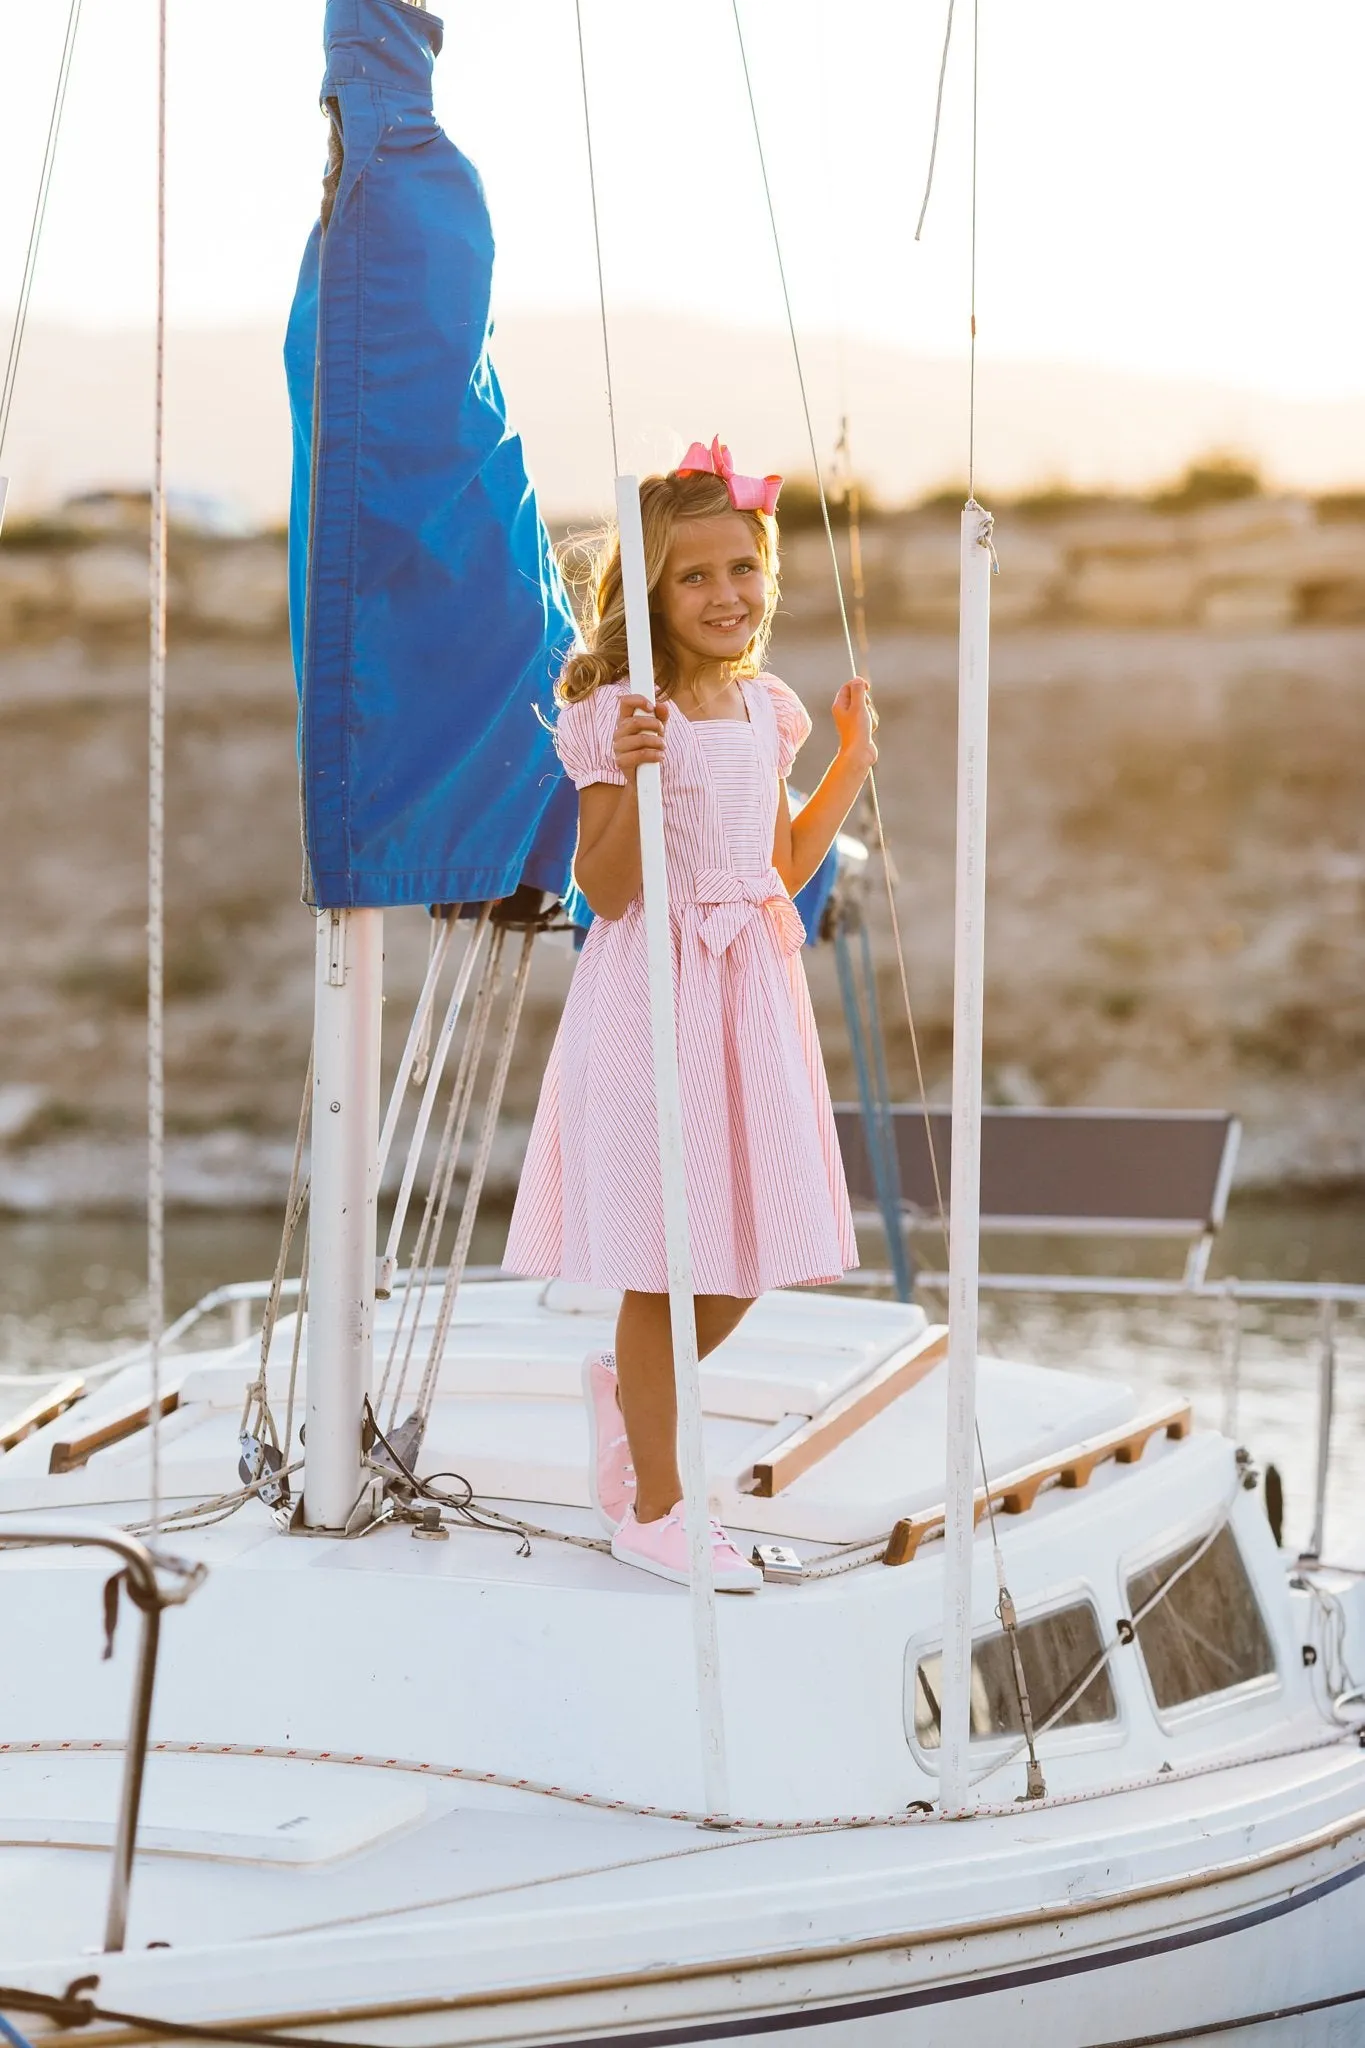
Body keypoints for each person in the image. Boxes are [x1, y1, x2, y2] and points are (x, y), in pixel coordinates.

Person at [504, 438, 877, 1591]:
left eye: (742, 569)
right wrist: (633, 766)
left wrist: (849, 764)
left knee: (748, 1250)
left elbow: (782, 861)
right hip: (653, 991)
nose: (725, 595)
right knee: (663, 1266)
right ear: (650, 592)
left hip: (750, 992)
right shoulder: (618, 707)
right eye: (693, 576)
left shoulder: (765, 707)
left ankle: (632, 1388)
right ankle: (659, 1508)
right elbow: (604, 889)